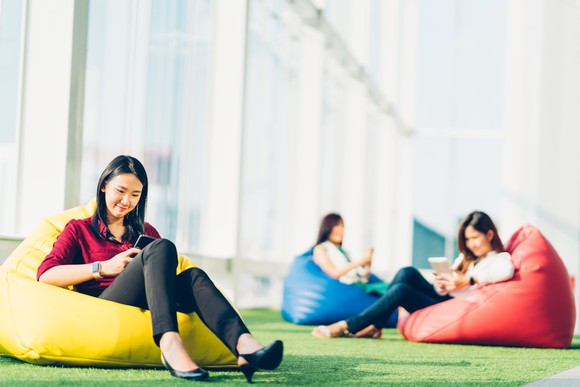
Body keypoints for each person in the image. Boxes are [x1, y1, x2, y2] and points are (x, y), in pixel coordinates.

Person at [37, 155, 283, 382]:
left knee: (192, 276)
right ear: (104, 186)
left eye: (135, 195)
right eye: (120, 191)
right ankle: (169, 342)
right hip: (104, 302)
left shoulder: (145, 232)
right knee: (161, 247)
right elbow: (46, 275)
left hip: (146, 300)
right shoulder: (78, 229)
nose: (126, 201)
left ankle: (245, 345)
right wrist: (102, 267)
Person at [311, 210, 514, 338]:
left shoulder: (498, 259)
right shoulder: (465, 258)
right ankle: (376, 326)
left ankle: (349, 325)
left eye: (475, 238)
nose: (471, 244)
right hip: (443, 298)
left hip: (453, 309)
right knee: (406, 272)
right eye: (468, 239)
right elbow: (447, 288)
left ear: (489, 234)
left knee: (401, 290)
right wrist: (443, 283)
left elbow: (506, 270)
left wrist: (469, 279)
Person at [313, 213, 388, 296]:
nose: (341, 229)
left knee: (398, 286)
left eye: (342, 226)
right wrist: (361, 261)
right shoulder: (320, 249)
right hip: (346, 289)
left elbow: (364, 280)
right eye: (337, 225)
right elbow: (334, 274)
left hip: (359, 286)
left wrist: (367, 263)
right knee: (398, 288)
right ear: (327, 228)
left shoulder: (344, 252)